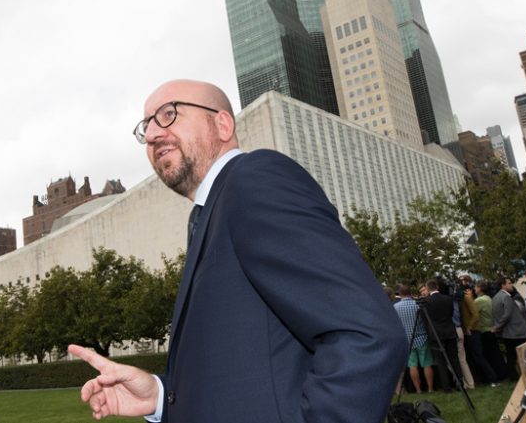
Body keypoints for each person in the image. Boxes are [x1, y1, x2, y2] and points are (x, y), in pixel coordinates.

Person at [69, 79, 406, 422]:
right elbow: (241, 367)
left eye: (168, 114)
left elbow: (367, 335)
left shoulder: (254, 180)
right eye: (146, 127)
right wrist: (159, 396)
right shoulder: (210, 214)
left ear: (223, 124)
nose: (154, 134)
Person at [423, 280, 463, 392]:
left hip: (436, 334)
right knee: (454, 358)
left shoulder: (426, 301)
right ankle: (459, 383)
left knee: (440, 362)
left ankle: (446, 386)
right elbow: (450, 314)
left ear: (427, 288)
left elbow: (425, 319)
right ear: (437, 286)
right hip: (449, 331)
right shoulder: (448, 299)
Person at [394, 285, 435, 393]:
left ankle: (418, 389)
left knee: (412, 366)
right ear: (410, 292)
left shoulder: (395, 307)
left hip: (407, 340)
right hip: (421, 337)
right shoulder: (417, 304)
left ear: (400, 293)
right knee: (427, 364)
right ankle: (430, 388)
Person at [491, 276, 526, 381]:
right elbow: (507, 314)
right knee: (522, 356)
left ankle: (513, 376)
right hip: (517, 332)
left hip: (507, 333)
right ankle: (525, 375)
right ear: (503, 285)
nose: (511, 285)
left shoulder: (495, 298)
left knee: (511, 356)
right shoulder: (506, 297)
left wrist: (498, 326)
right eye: (509, 283)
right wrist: (497, 326)